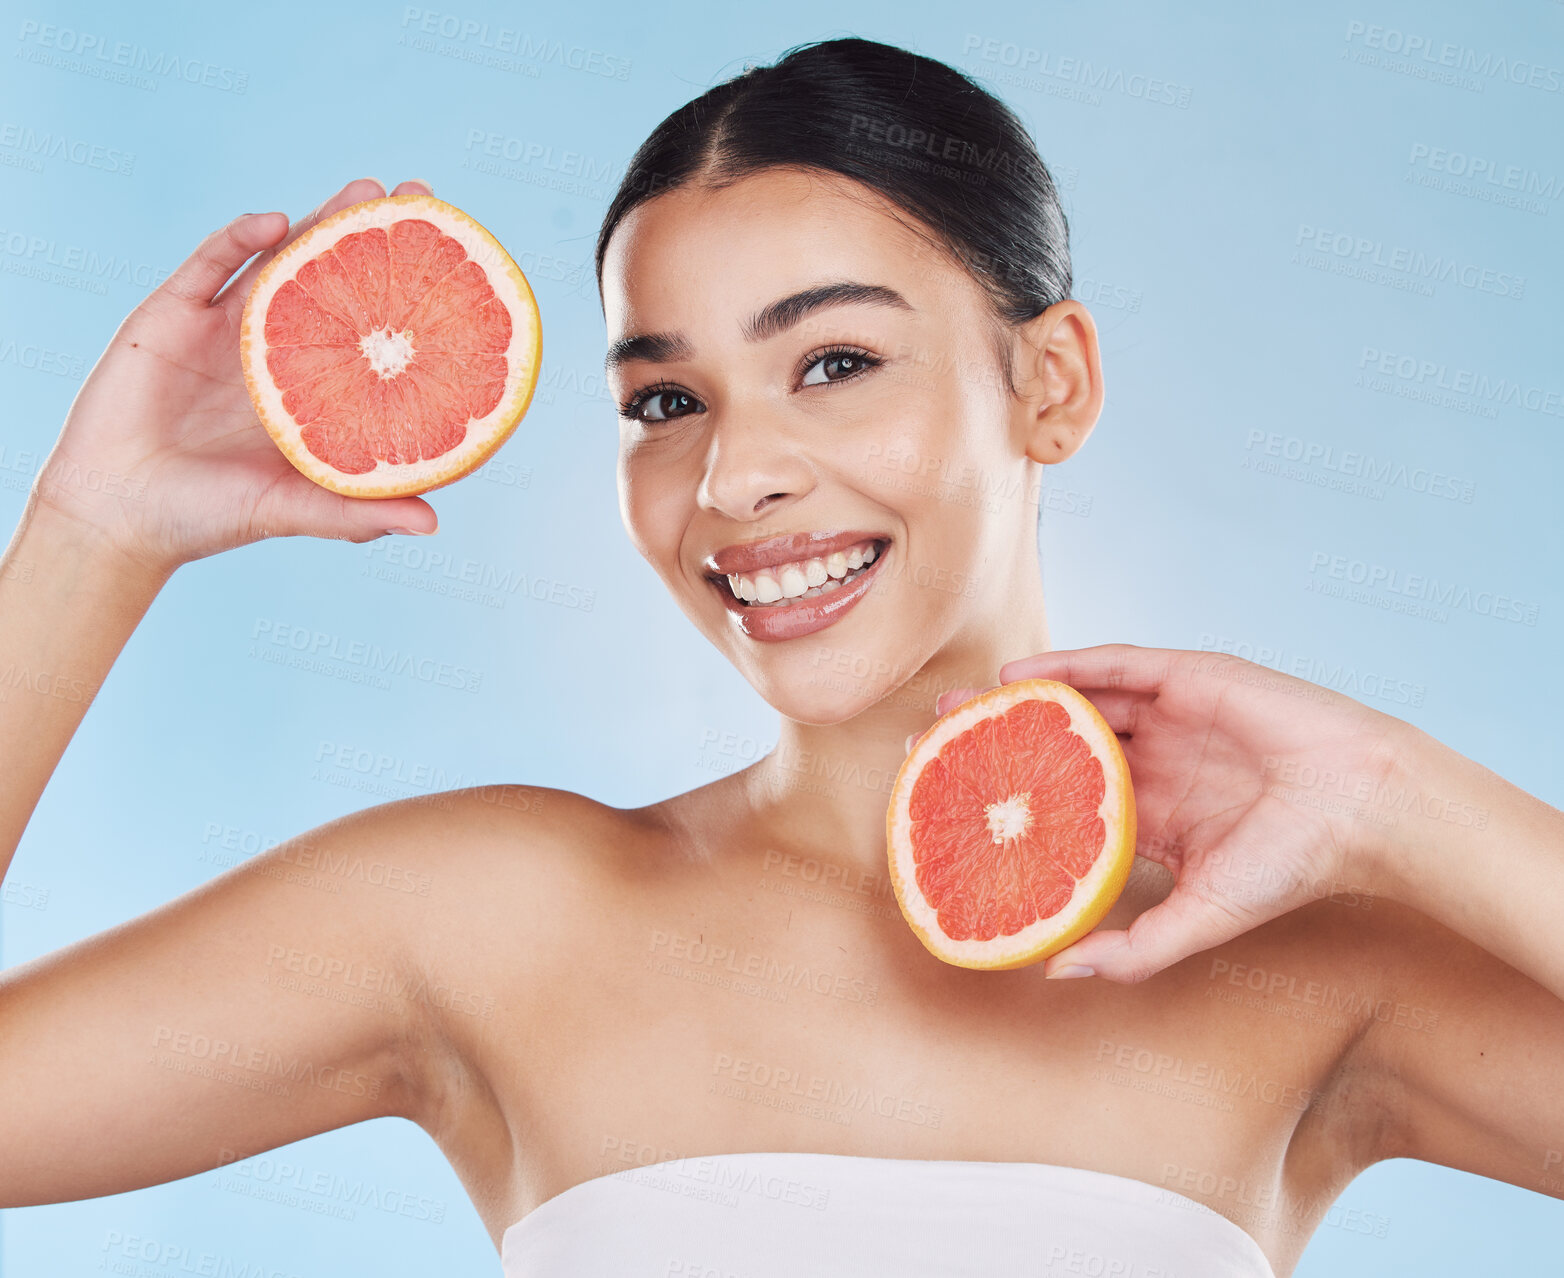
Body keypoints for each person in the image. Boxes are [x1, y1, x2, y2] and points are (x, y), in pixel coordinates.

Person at [2, 35, 1560, 1278]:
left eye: (834, 361)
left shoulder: (1309, 960)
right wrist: (93, 532)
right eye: (666, 403)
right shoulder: (489, 917)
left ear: (1051, 383)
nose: (736, 477)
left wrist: (1390, 788)